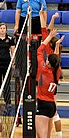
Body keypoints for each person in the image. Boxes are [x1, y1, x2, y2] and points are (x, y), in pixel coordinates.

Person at [39, 10, 64, 138]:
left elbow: (45, 29)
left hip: (45, 85)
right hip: (52, 86)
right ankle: (57, 135)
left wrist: (41, 15)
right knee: (53, 114)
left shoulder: (46, 52)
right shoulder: (56, 63)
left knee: (53, 115)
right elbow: (47, 30)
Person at [0, 23, 15, 105]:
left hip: (7, 63)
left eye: (4, 28)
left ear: (6, 29)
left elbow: (13, 51)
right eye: (1, 28)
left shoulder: (10, 39)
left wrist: (13, 63)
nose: (2, 29)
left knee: (7, 84)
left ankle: (8, 102)